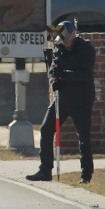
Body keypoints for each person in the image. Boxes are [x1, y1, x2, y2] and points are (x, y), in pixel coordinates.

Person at [27, 20, 96, 183]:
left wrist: (64, 75)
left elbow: (85, 74)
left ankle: (86, 175)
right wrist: (54, 79)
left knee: (84, 137)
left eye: (65, 36)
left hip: (81, 100)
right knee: (46, 129)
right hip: (62, 99)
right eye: (60, 37)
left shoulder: (86, 49)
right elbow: (53, 70)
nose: (63, 41)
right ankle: (45, 170)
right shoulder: (58, 49)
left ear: (73, 34)